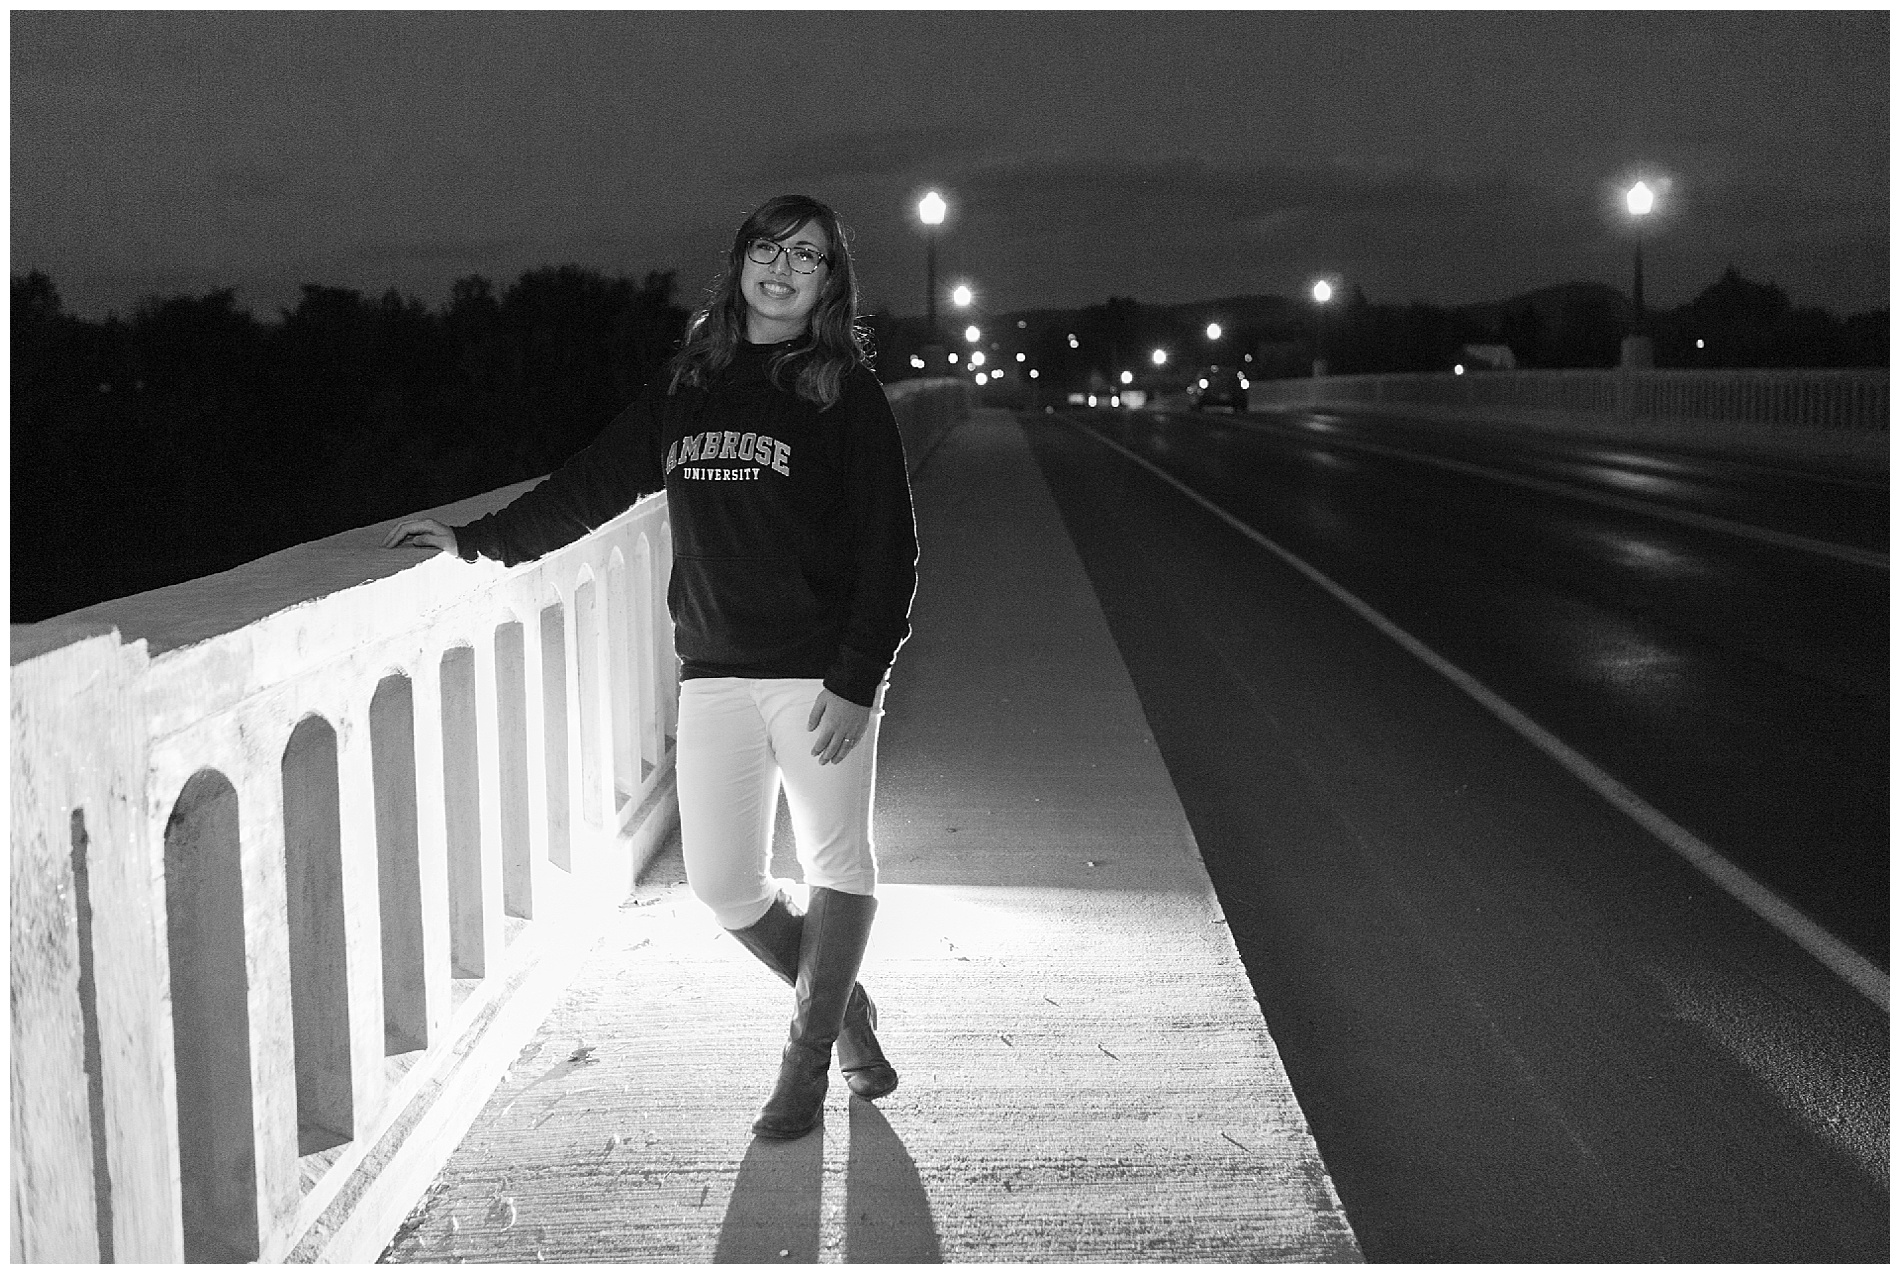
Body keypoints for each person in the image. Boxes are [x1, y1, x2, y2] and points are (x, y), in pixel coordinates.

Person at [383, 194, 917, 1141]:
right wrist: (475, 543)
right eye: (768, 250)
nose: (783, 269)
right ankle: (842, 1006)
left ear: (830, 281)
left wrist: (857, 678)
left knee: (836, 857)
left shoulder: (844, 392)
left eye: (807, 257)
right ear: (740, 263)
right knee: (723, 886)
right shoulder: (689, 383)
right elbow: (592, 484)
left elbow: (892, 547)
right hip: (711, 669)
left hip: (815, 676)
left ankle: (804, 1067)